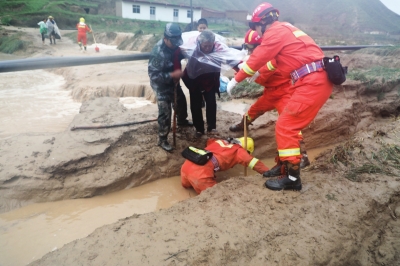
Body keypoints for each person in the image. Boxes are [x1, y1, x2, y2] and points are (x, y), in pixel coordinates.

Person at [227, 2, 333, 191]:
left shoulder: (275, 32)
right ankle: (283, 165)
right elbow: (273, 64)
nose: (257, 33)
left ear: (263, 22)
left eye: (255, 28)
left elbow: (259, 58)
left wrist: (237, 79)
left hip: (310, 82)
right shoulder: (284, 31)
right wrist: (258, 73)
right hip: (308, 80)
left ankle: (293, 178)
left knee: (286, 126)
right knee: (280, 124)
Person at [229, 29, 310, 175]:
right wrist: (239, 68)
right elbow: (252, 70)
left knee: (290, 124)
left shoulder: (272, 55)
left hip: (284, 91)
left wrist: (252, 71)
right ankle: (242, 125)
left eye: (251, 47)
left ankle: (303, 156)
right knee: (253, 111)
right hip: (270, 92)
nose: (250, 50)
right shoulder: (257, 55)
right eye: (247, 47)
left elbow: (265, 72)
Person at [148, 23, 192, 152]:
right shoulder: (158, 52)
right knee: (165, 111)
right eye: (173, 42)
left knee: (181, 101)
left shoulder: (175, 46)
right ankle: (162, 139)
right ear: (165, 38)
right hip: (161, 84)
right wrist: (171, 75)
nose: (175, 45)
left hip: (174, 81)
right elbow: (154, 75)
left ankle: (182, 120)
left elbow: (179, 54)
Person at [181, 137, 269, 194]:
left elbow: (209, 141)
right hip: (200, 174)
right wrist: (269, 173)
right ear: (247, 150)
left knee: (187, 187)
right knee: (215, 196)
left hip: (186, 166)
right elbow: (255, 163)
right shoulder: (239, 151)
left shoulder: (220, 141)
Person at [182, 30, 221, 137]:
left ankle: (211, 127)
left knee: (211, 102)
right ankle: (199, 129)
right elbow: (190, 72)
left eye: (210, 46)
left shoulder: (217, 51)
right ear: (200, 44)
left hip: (209, 80)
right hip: (194, 80)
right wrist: (194, 87)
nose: (208, 48)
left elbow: (218, 69)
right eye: (205, 46)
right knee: (195, 104)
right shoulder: (193, 52)